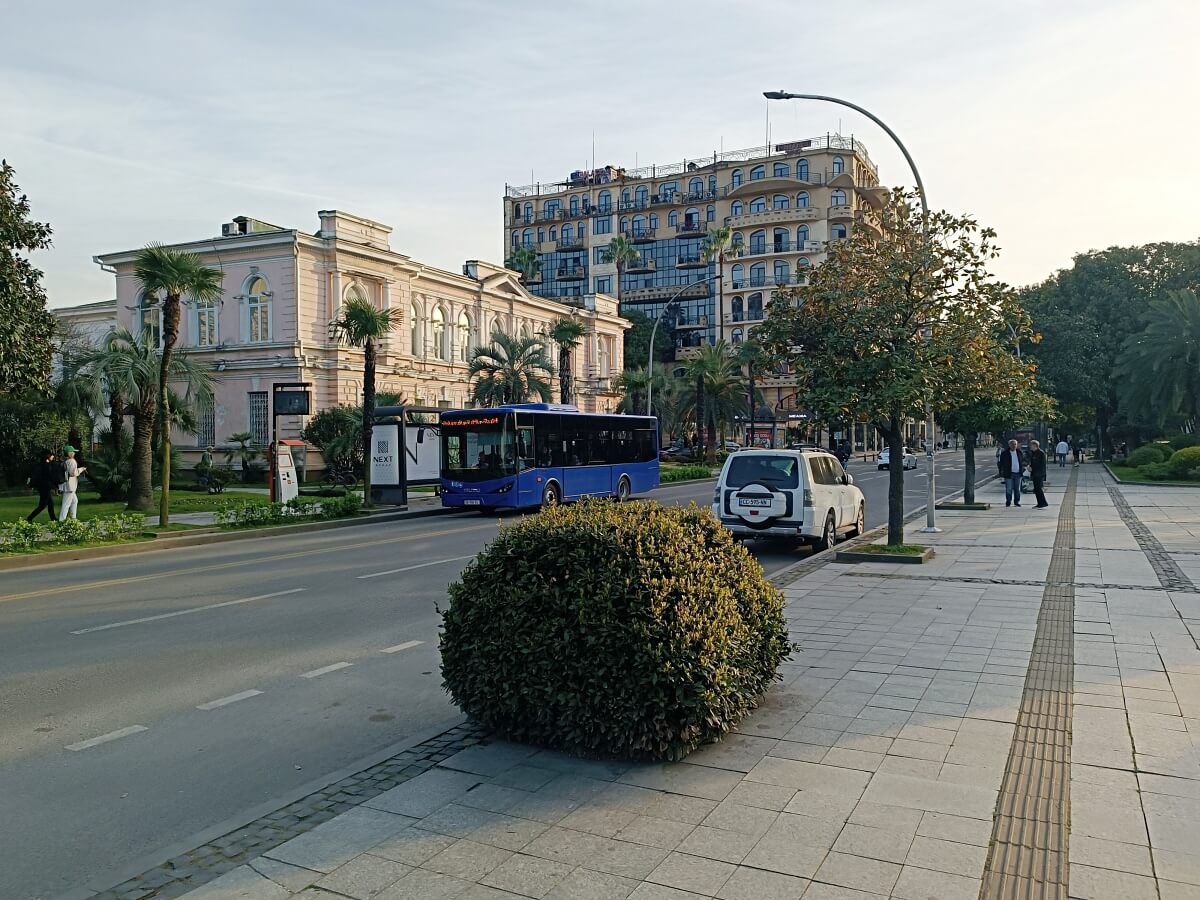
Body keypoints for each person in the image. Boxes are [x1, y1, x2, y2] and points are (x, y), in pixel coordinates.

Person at [26, 449, 58, 522]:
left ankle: (53, 518)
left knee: (50, 503)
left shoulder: (42, 464)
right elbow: (49, 475)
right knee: (43, 505)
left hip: (43, 486)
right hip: (44, 486)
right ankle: (29, 518)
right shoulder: (45, 465)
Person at [58, 445, 86, 521]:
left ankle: (73, 518)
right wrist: (81, 469)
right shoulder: (72, 461)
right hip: (70, 486)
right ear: (69, 453)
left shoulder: (66, 461)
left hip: (67, 485)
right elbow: (73, 473)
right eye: (73, 452)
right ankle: (61, 520)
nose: (74, 453)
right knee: (66, 504)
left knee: (74, 501)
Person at [997, 439, 1025, 507]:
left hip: (1018, 473)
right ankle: (1008, 501)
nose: (1014, 446)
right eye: (1012, 444)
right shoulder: (1005, 453)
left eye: (1015, 444)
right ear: (1009, 445)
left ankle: (1016, 501)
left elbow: (1023, 461)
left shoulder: (1019, 452)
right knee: (1009, 489)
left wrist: (1023, 468)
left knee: (1017, 489)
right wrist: (1001, 471)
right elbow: (1000, 463)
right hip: (1009, 473)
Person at [1029, 440, 1050, 509]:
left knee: (1038, 489)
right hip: (1035, 473)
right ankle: (1040, 503)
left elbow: (1041, 464)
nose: (1030, 447)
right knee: (1036, 489)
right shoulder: (1033, 453)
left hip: (1039, 474)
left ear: (1035, 445)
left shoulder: (1040, 453)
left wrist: (1033, 468)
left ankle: (1042, 503)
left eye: (1031, 445)